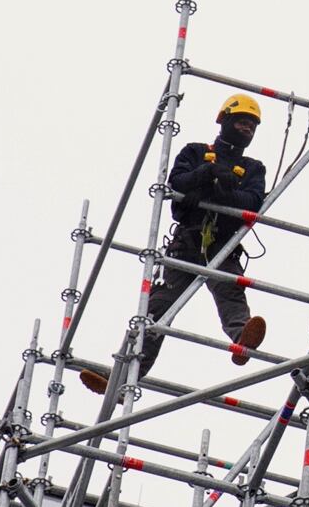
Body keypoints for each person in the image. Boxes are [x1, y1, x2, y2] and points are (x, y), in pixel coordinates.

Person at [81, 93, 269, 392]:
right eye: (242, 122)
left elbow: (253, 202)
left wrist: (216, 192)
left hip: (223, 247)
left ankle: (242, 339)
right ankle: (121, 378)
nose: (247, 129)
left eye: (251, 126)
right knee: (158, 310)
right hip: (187, 243)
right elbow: (178, 183)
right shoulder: (195, 152)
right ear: (226, 121)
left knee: (231, 294)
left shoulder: (253, 168)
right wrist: (207, 174)